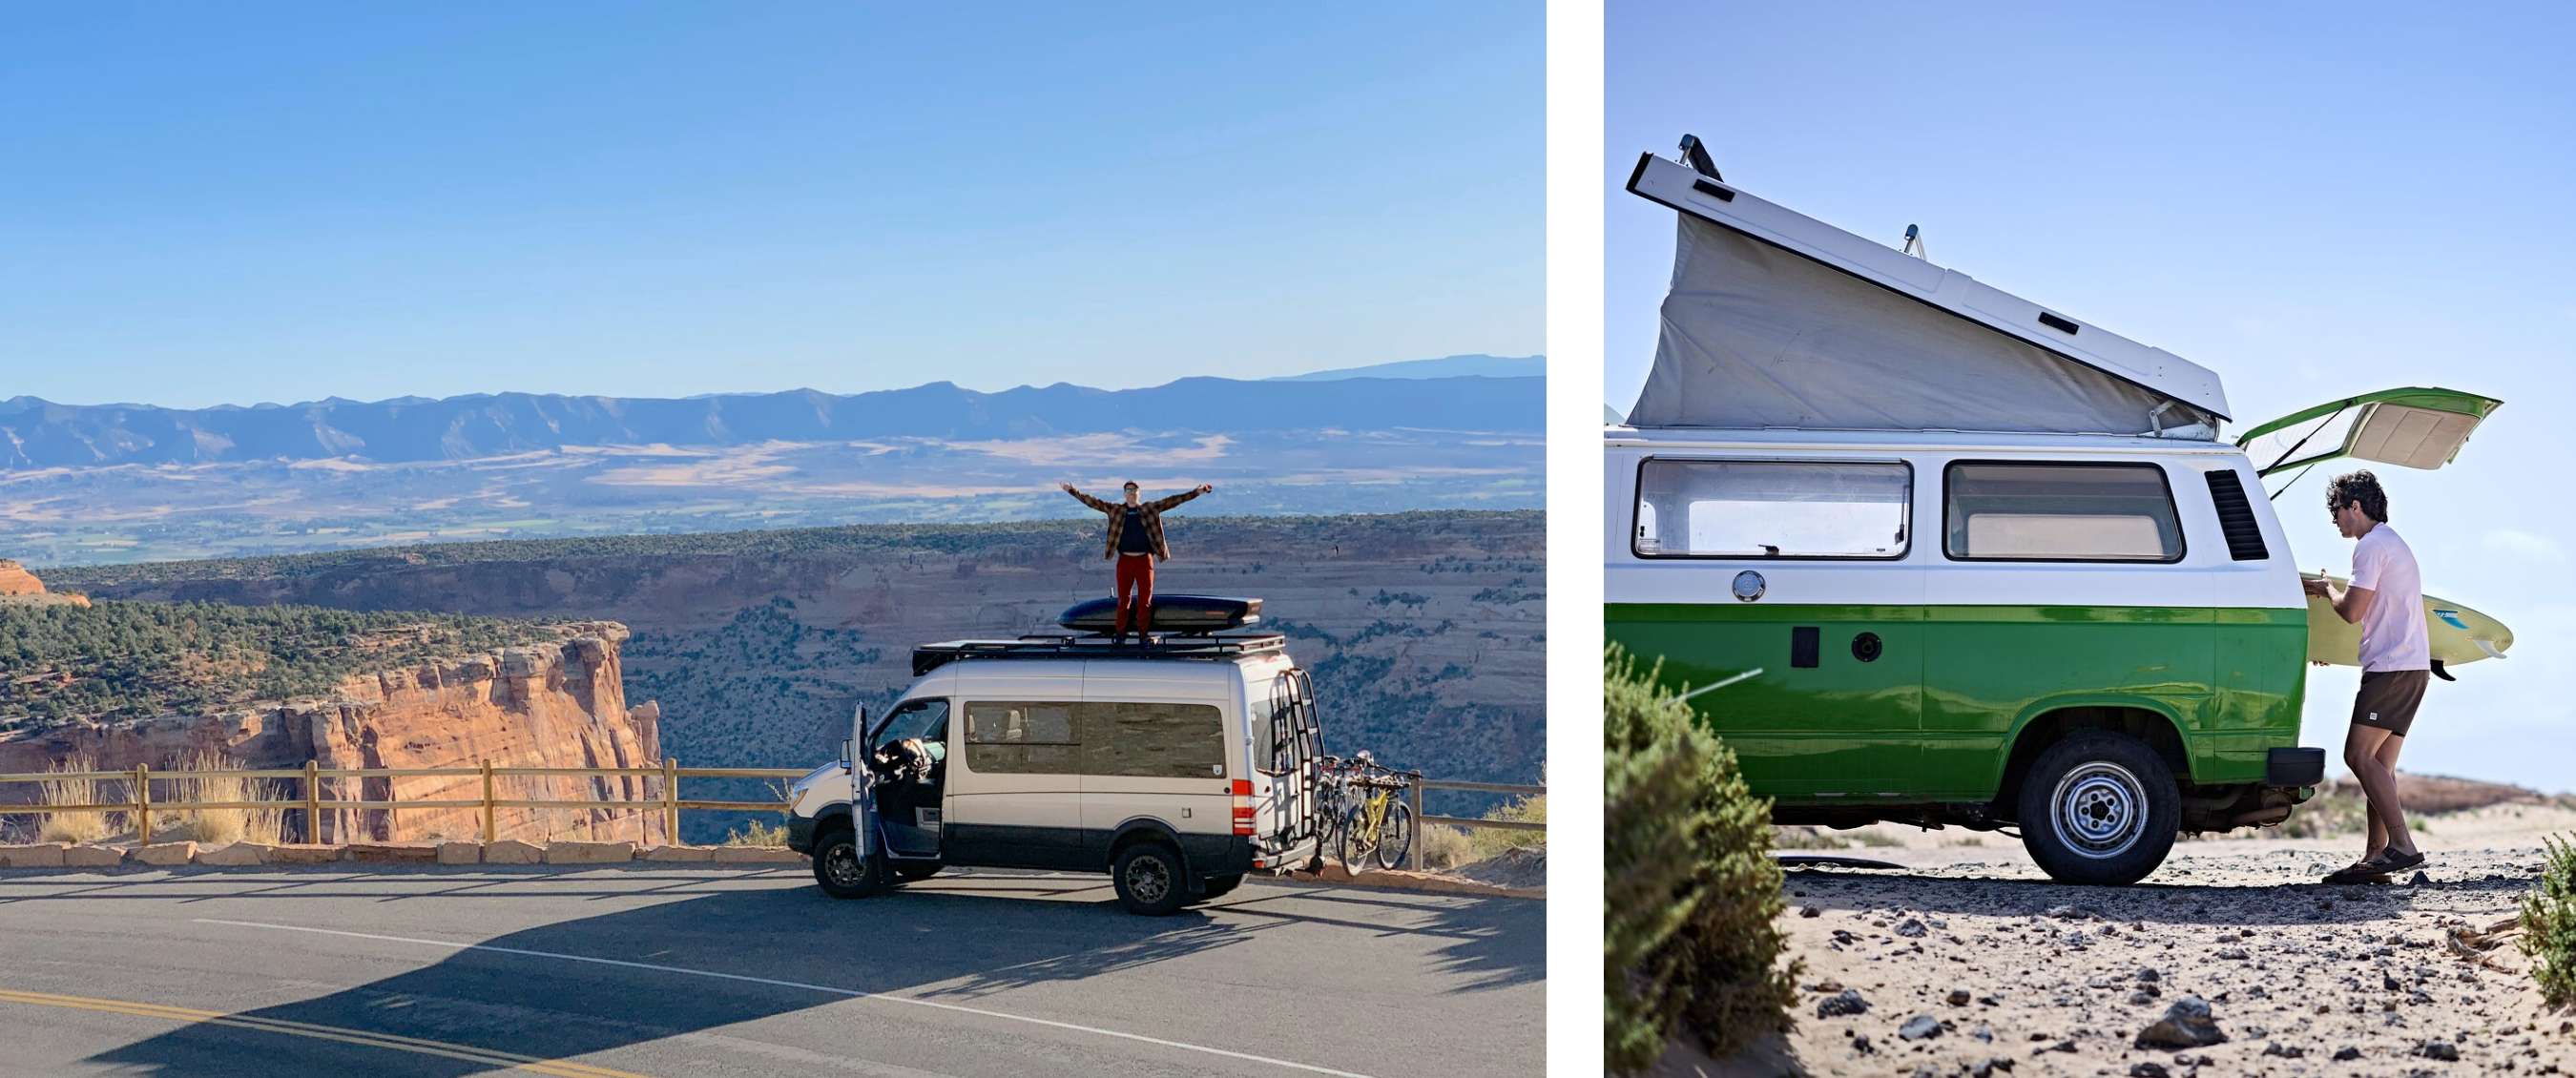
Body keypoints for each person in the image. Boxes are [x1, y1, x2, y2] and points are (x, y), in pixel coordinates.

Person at [2304, 470, 2430, 883]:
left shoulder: (2371, 546)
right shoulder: (2392, 543)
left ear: (2354, 506)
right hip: (2412, 668)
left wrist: (2327, 589)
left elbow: (2351, 612)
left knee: (2357, 756)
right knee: (2380, 767)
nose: (2334, 520)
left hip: (2391, 669)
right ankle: (2376, 858)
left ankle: (2402, 845)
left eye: (2336, 511)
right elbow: (2378, 611)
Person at [1060, 480, 1215, 642]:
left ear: (1139, 493)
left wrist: (1197, 492)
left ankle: (1143, 636)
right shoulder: (1116, 510)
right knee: (1123, 600)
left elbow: (1174, 501)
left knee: (1145, 601)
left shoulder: (1150, 509)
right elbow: (1092, 502)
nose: (1131, 493)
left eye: (1134, 490)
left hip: (1144, 561)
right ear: (1124, 494)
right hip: (1125, 560)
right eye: (1128, 490)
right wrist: (1072, 490)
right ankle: (1121, 635)